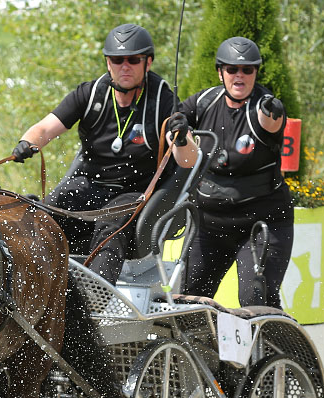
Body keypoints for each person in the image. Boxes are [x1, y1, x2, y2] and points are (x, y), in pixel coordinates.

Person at [10, 23, 193, 281]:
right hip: (88, 184)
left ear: (148, 63)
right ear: (108, 63)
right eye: (117, 60)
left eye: (133, 59)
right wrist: (27, 143)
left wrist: (183, 137)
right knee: (43, 213)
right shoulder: (90, 94)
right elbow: (44, 128)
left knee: (111, 223)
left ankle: (93, 298)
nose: (124, 66)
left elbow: (189, 160)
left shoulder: (163, 101)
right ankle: (31, 285)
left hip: (133, 193)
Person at [173, 36, 293, 308]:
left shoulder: (264, 107)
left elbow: (272, 121)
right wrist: (177, 129)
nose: (239, 76)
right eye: (232, 69)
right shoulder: (205, 101)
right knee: (187, 301)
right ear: (220, 72)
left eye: (247, 70)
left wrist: (273, 111)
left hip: (261, 222)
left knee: (254, 301)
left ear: (255, 73)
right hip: (210, 223)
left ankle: (274, 348)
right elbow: (179, 134)